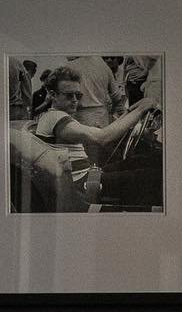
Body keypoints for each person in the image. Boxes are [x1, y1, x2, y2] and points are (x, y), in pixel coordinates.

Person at [31, 64, 161, 206]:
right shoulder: (56, 118)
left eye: (78, 95)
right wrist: (142, 109)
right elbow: (102, 137)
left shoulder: (54, 116)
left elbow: (106, 132)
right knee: (153, 175)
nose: (75, 100)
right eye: (69, 95)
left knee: (147, 160)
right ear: (53, 95)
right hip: (82, 184)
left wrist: (130, 110)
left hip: (87, 175)